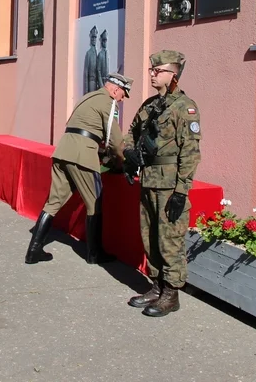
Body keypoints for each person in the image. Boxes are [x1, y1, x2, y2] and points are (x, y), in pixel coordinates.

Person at [123, 50, 201, 318]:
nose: (153, 74)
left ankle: (171, 293)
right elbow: (131, 133)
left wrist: (182, 191)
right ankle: (156, 286)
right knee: (150, 237)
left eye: (158, 71)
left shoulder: (185, 108)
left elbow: (190, 152)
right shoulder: (149, 105)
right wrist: (129, 155)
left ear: (173, 74)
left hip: (169, 185)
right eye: (152, 70)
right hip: (148, 180)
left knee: (170, 240)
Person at [25, 73, 132, 265]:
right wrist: (120, 162)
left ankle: (33, 251)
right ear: (115, 89)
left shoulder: (87, 97)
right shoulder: (108, 102)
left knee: (53, 202)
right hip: (83, 156)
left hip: (63, 151)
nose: (122, 99)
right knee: (95, 202)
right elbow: (116, 142)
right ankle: (94, 254)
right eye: (123, 94)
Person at [83, 26, 99, 94]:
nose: (94, 39)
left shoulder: (98, 52)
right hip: (91, 82)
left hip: (98, 83)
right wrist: (86, 90)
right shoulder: (88, 53)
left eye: (95, 37)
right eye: (93, 37)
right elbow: (86, 72)